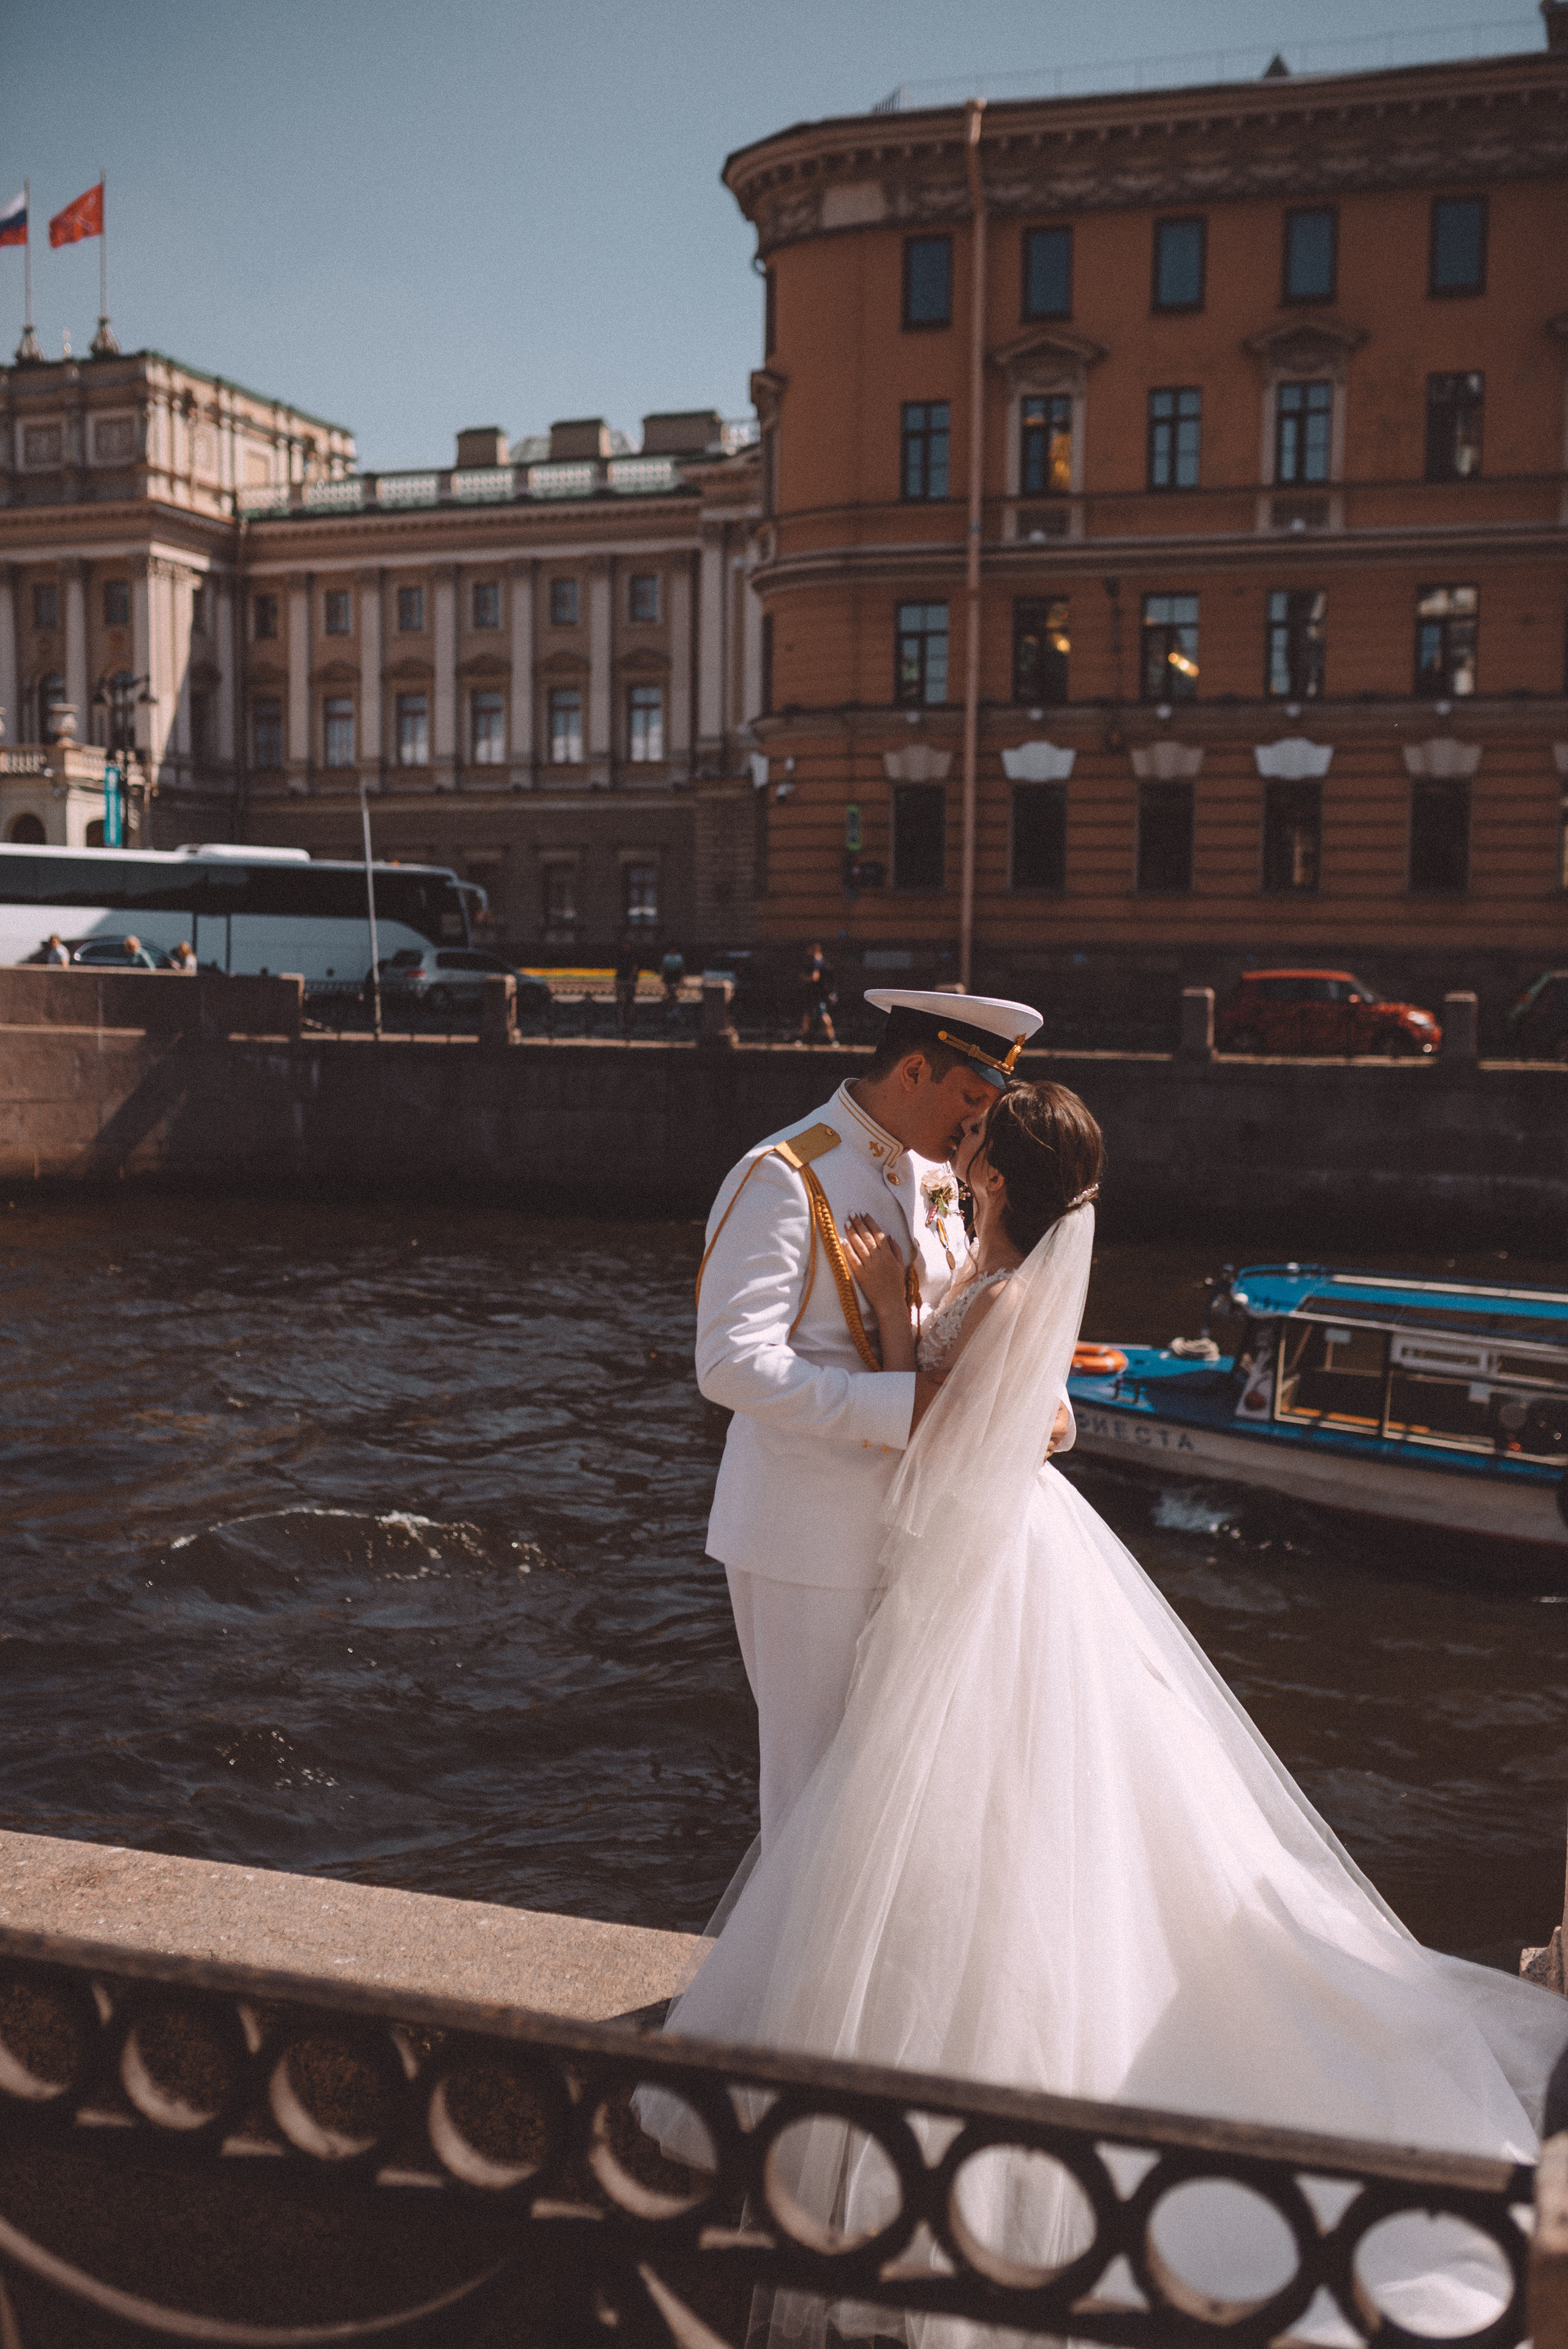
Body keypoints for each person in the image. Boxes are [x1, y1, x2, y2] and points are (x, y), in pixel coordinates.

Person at [659, 1078, 1568, 2346]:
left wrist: (900, 1330)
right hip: (1005, 1549)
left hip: (970, 1561)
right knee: (989, 1803)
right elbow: (1043, 1416)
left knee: (944, 1802)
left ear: (989, 1168)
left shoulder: (1007, 1284)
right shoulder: (1014, 1268)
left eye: (970, 1138)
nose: (951, 1145)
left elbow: (960, 1431)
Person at [695, 989, 1061, 1858]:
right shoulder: (786, 1174)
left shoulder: (938, 1176)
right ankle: (789, 1996)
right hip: (807, 1533)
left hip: (923, 1533)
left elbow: (963, 1317)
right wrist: (902, 1411)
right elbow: (731, 1363)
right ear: (912, 1070)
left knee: (902, 1796)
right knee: (813, 1789)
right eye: (974, 1098)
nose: (985, 1122)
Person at [796, 942, 836, 1046]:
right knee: (810, 1015)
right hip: (820, 993)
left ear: (813, 950)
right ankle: (831, 1039)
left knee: (817, 1015)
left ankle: (831, 1038)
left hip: (815, 994)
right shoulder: (823, 961)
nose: (807, 952)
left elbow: (815, 977)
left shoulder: (816, 962)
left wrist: (803, 978)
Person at [613, 934, 641, 1040]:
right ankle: (622, 1023)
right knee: (621, 1001)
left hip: (630, 981)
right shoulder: (620, 955)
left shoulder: (633, 956)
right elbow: (618, 968)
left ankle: (630, 1022)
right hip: (621, 980)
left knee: (630, 1001)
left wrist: (630, 979)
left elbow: (635, 968)